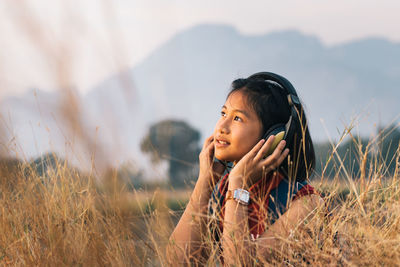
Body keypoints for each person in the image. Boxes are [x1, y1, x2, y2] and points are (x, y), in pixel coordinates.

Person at [167, 72, 323, 265]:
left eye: (238, 118)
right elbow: (178, 262)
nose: (222, 127)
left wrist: (239, 185)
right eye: (223, 114)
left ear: (274, 136)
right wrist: (204, 184)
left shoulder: (306, 203)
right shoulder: (222, 192)